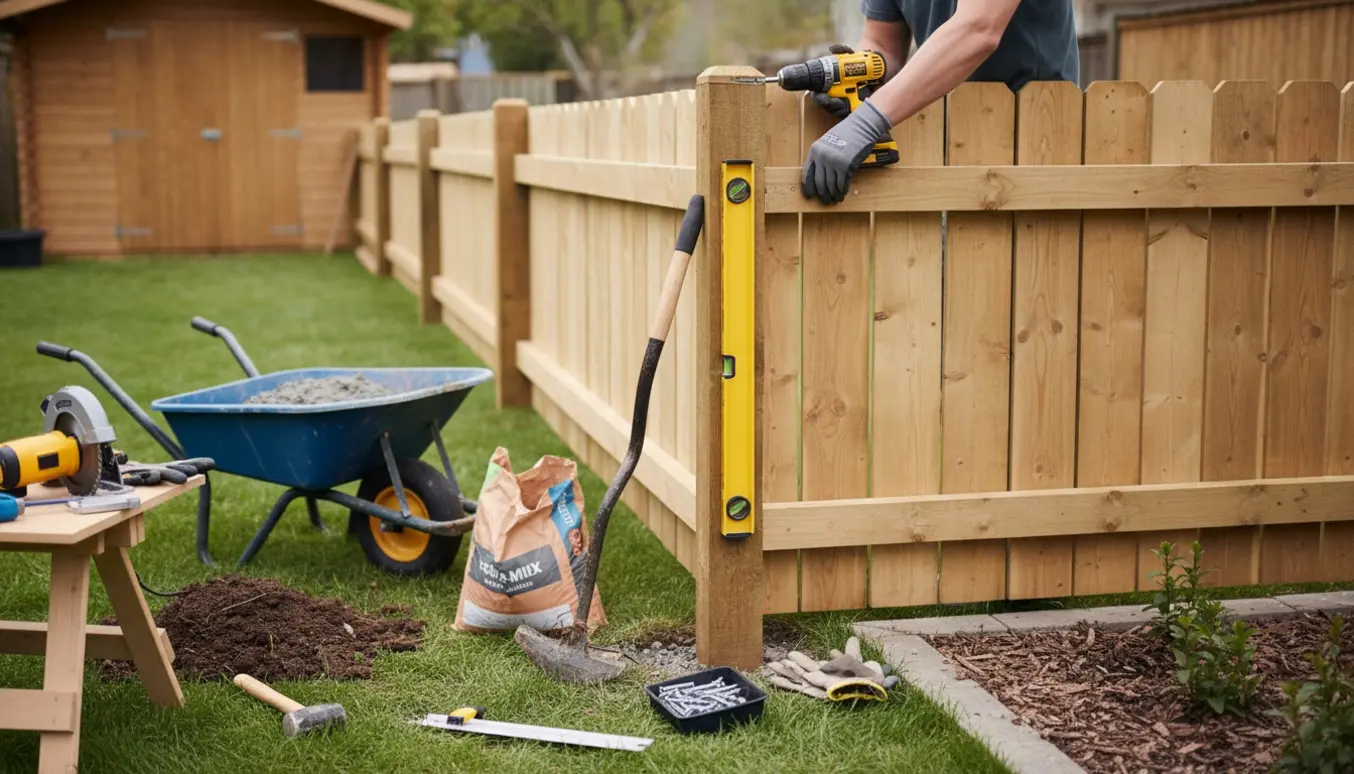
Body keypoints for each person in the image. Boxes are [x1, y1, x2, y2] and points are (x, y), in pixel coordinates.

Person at [801, 0, 1080, 204]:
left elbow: (979, 28)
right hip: (949, 147)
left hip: (1037, 144)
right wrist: (857, 73)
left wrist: (864, 122)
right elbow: (883, 43)